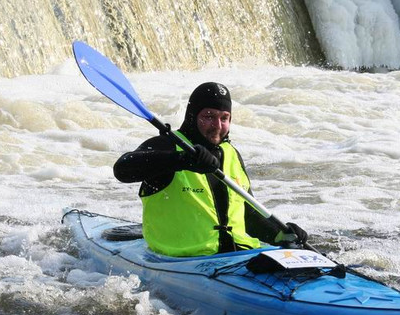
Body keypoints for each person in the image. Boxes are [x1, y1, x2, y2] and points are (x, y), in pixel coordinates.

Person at [113, 81, 308, 257]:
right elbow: (123, 169)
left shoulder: (231, 154)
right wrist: (182, 160)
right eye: (209, 116)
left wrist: (280, 235)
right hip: (181, 261)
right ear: (192, 116)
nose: (217, 125)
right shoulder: (167, 145)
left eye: (224, 118)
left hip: (237, 257)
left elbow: (247, 214)